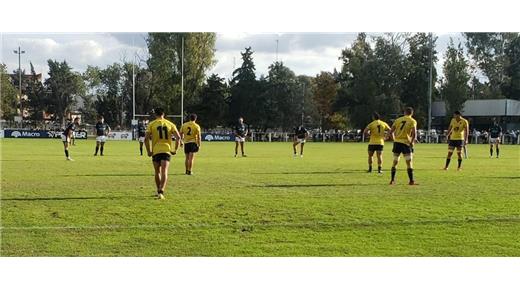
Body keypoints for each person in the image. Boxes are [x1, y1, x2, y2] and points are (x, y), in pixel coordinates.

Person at [144, 108, 181, 199]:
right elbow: (178, 138)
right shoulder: (170, 124)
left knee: (157, 172)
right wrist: (175, 149)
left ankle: (158, 191)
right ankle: (161, 191)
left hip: (156, 150)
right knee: (165, 171)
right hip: (166, 150)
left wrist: (149, 151)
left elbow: (146, 139)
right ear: (163, 114)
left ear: (155, 114)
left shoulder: (151, 124)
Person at [389, 107, 418, 185]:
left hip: (397, 143)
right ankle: (411, 181)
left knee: (395, 161)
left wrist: (394, 140)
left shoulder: (398, 120)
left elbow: (390, 132)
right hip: (406, 143)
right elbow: (414, 133)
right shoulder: (412, 121)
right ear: (412, 113)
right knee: (409, 162)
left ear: (404, 112)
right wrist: (412, 142)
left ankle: (392, 180)